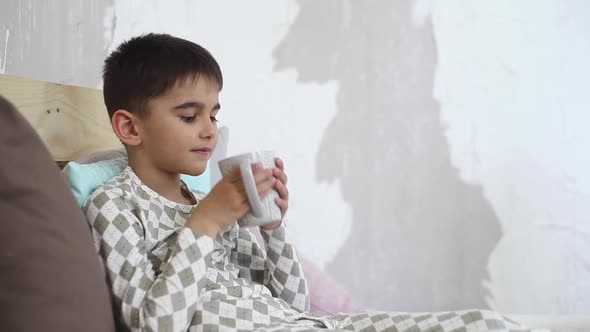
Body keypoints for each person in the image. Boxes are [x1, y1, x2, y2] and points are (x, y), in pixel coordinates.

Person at [84, 33, 532, 332]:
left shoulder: (210, 201)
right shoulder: (116, 204)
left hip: (308, 325)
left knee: (484, 323)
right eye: (189, 115)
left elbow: (295, 305)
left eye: (214, 114)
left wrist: (273, 227)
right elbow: (155, 324)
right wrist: (203, 225)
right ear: (130, 128)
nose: (209, 130)